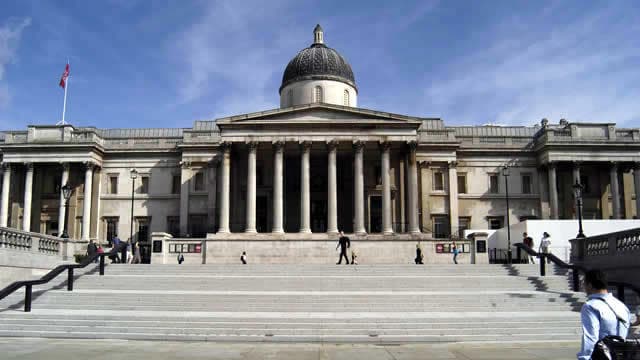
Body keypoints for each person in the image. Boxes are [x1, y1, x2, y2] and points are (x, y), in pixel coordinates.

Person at [577, 269, 631, 360]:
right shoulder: (622, 306)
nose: (583, 286)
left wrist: (584, 358)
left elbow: (591, 337)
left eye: (584, 283)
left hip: (602, 356)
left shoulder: (590, 306)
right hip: (621, 354)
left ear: (590, 285)